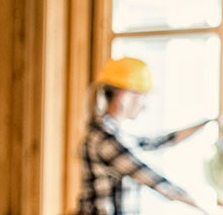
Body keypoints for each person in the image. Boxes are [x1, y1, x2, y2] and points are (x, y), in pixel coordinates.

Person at [77, 57, 215, 214]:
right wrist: (209, 208)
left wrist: (209, 122)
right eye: (141, 96)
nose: (144, 105)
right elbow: (150, 178)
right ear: (125, 95)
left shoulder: (116, 135)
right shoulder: (103, 138)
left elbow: (159, 142)